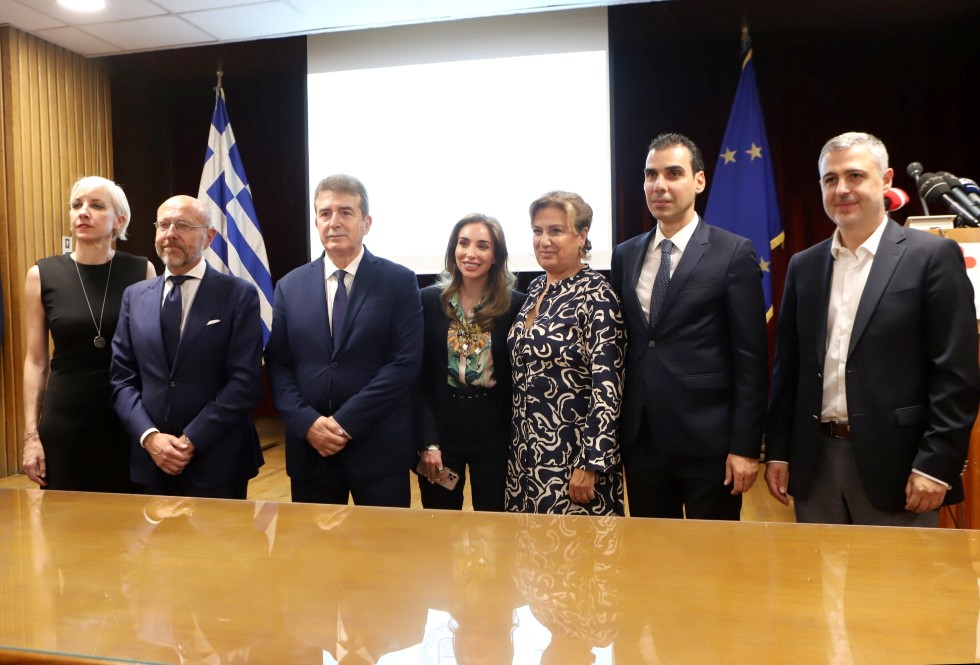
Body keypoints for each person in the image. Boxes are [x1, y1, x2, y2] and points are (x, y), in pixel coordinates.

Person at [764, 131, 980, 526]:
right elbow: (788, 370)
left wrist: (936, 465)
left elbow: (956, 374)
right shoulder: (803, 266)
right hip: (815, 465)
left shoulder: (932, 257)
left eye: (855, 176)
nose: (842, 189)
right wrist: (778, 451)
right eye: (830, 179)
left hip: (902, 467)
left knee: (898, 570)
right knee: (817, 569)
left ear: (886, 180)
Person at [610, 132, 768, 520]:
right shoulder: (625, 254)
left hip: (709, 443)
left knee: (713, 555)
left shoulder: (733, 252)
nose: (659, 185)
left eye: (673, 173)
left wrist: (745, 446)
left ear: (699, 181)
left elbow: (751, 359)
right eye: (650, 175)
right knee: (652, 551)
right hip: (642, 440)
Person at [265, 174, 423, 507]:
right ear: (316, 222)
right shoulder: (289, 286)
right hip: (311, 452)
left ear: (367, 223)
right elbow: (279, 365)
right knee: (312, 543)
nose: (334, 222)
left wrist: (344, 423)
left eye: (345, 212)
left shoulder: (399, 281)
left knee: (382, 541)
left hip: (379, 449)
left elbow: (404, 364)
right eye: (325, 213)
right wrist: (308, 424)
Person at [110, 195, 264, 499]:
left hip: (218, 460)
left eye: (183, 226)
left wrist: (190, 440)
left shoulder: (238, 294)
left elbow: (244, 382)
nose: (171, 234)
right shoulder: (134, 296)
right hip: (151, 460)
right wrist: (150, 438)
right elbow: (121, 379)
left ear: (209, 236)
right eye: (164, 225)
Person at [22, 176, 155, 492]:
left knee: (129, 516)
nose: (83, 212)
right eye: (76, 205)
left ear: (118, 220)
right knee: (64, 516)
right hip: (66, 417)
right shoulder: (41, 274)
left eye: (96, 205)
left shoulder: (142, 271)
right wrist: (30, 435)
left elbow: (151, 354)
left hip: (126, 415)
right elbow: (36, 361)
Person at [507, 191, 626, 516]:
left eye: (556, 231)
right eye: (537, 231)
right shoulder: (535, 289)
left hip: (574, 462)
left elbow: (608, 388)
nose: (544, 240)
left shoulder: (597, 296)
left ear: (582, 236)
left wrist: (591, 462)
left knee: (572, 548)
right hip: (525, 459)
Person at [415, 214, 526, 511]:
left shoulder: (515, 305)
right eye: (463, 243)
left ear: (496, 256)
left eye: (482, 246)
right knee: (441, 520)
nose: (470, 253)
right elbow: (419, 379)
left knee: (493, 523)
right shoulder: (428, 301)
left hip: (494, 432)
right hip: (442, 432)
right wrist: (428, 442)